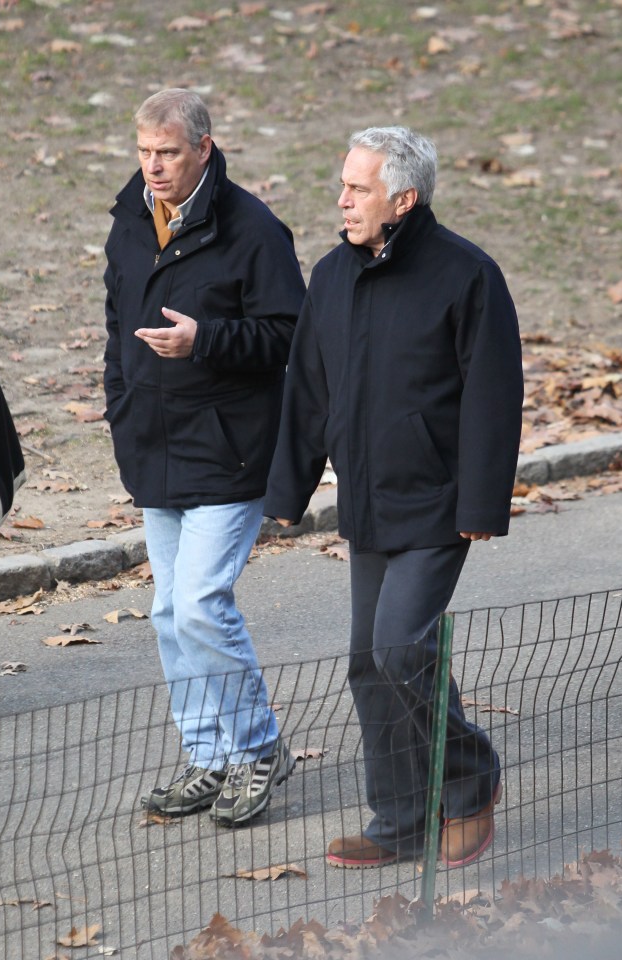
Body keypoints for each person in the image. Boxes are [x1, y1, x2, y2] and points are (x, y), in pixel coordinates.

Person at [264, 126, 523, 867]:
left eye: (358, 188)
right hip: (369, 503)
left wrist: (480, 505)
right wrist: (290, 486)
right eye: (343, 185)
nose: (341, 200)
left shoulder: (467, 275)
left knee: (401, 645)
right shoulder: (332, 276)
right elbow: (309, 388)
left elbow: (494, 396)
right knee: (367, 661)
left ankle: (470, 781)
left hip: (438, 503)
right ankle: (403, 818)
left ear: (402, 199)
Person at [103, 89, 305, 826]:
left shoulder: (253, 230)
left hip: (229, 451)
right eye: (144, 151)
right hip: (154, 446)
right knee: (166, 612)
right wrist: (120, 402)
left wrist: (206, 340)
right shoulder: (131, 221)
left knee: (200, 605)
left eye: (168, 153)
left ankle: (257, 749)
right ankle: (208, 757)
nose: (152, 167)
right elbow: (113, 320)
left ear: (204, 149)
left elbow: (291, 335)